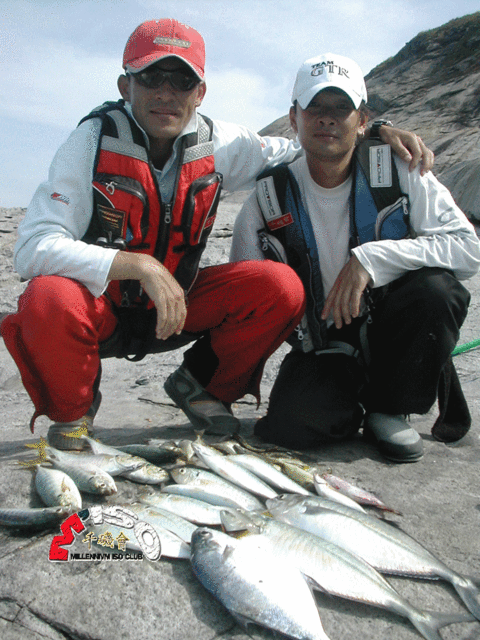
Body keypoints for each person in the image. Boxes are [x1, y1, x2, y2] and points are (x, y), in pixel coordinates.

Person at [1, 21, 434, 451]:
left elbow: (309, 145)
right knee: (48, 297)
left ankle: (203, 387)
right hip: (104, 308)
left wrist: (375, 131)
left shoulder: (222, 143)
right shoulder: (89, 143)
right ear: (125, 86)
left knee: (279, 286)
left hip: (179, 308)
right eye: (151, 77)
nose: (166, 93)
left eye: (182, 80)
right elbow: (33, 248)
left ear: (200, 92)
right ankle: (73, 414)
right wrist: (139, 266)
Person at [230, 52, 480, 462]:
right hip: (324, 343)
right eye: (315, 107)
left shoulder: (401, 168)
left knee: (437, 291)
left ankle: (390, 407)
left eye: (341, 108)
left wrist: (372, 259)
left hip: (394, 328)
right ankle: (347, 399)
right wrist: (220, 384)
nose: (327, 119)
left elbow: (468, 249)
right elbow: (244, 289)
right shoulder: (268, 196)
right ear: (294, 118)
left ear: (362, 120)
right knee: (291, 426)